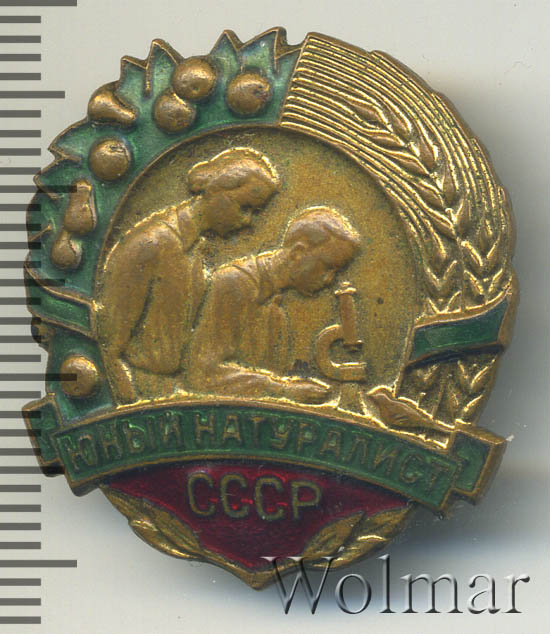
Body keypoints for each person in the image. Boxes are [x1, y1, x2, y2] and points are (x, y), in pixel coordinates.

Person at [96, 147, 280, 403]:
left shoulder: (194, 250)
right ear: (216, 191)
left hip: (169, 390)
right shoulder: (150, 245)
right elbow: (107, 347)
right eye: (245, 207)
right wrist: (129, 403)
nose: (248, 221)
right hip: (140, 389)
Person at [187, 206, 360, 404]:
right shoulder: (233, 284)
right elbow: (202, 374)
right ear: (297, 253)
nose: (329, 280)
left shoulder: (276, 309)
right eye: (328, 267)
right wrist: (283, 390)